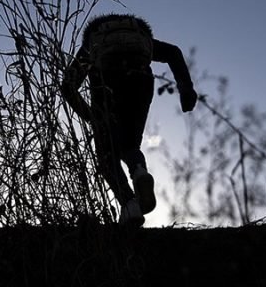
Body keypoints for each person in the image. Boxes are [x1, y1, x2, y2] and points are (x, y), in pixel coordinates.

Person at [61, 13, 198, 226]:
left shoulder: (92, 45)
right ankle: (139, 171)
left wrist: (90, 116)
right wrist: (186, 88)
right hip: (141, 80)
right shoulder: (140, 40)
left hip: (106, 83)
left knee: (106, 154)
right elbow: (173, 52)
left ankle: (129, 205)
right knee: (130, 145)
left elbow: (68, 86)